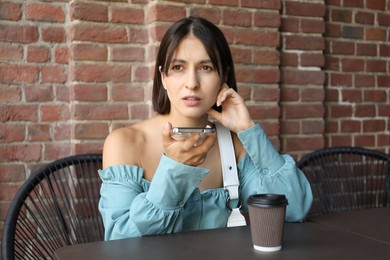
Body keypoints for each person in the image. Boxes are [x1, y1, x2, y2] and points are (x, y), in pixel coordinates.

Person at [98, 16, 313, 240]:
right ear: (163, 77)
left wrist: (248, 129)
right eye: (178, 67)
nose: (192, 82)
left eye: (206, 67)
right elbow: (119, 242)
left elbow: (294, 210)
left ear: (224, 75)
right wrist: (174, 172)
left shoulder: (235, 142)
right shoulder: (124, 143)